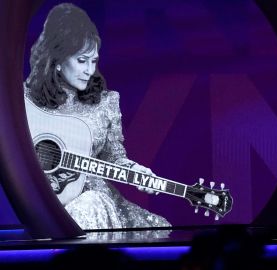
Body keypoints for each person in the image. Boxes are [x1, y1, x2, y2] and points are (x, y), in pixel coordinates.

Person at [24, 3, 171, 230]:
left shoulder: (106, 102)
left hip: (97, 201)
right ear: (57, 60)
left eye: (94, 61)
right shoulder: (24, 100)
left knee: (92, 204)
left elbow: (113, 158)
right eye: (81, 61)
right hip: (41, 204)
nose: (89, 70)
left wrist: (135, 171)